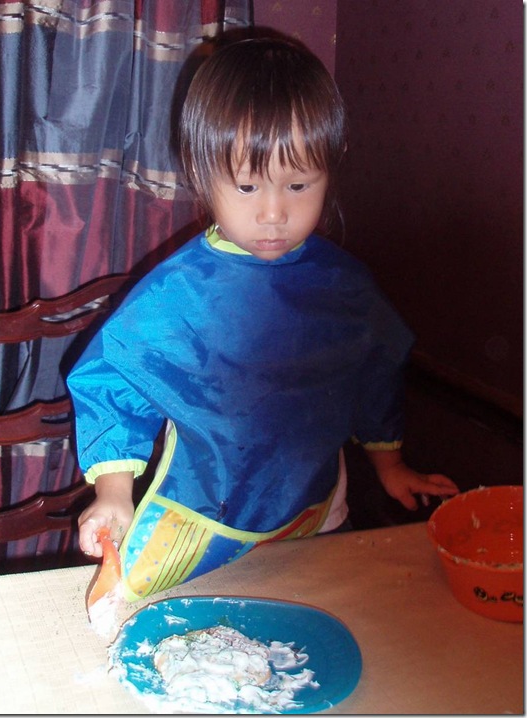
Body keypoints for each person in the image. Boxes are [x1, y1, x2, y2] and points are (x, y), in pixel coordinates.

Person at [67, 36, 459, 601]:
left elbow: (377, 373)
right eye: (247, 186)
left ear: (330, 170)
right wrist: (113, 493)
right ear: (202, 172)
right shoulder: (177, 293)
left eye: (298, 186)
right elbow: (114, 382)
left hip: (316, 510)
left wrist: (390, 466)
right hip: (205, 517)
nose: (274, 213)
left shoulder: (345, 284)